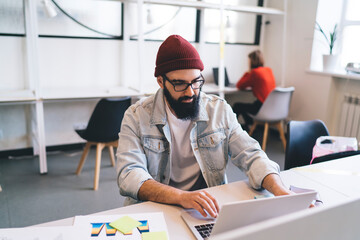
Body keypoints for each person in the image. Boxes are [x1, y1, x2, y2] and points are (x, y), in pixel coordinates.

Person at [116, 35, 292, 218]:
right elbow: (129, 175)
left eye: (196, 81)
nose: (191, 92)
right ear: (161, 82)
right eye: (180, 84)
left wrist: (279, 189)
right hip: (155, 210)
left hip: (205, 211)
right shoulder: (136, 116)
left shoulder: (219, 110)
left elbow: (252, 154)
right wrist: (181, 196)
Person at [232, 50, 276, 131]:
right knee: (244, 107)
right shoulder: (268, 70)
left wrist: (247, 72)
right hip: (272, 107)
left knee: (237, 106)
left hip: (262, 107)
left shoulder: (254, 72)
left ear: (251, 61)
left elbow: (240, 85)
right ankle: (250, 125)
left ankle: (230, 130)